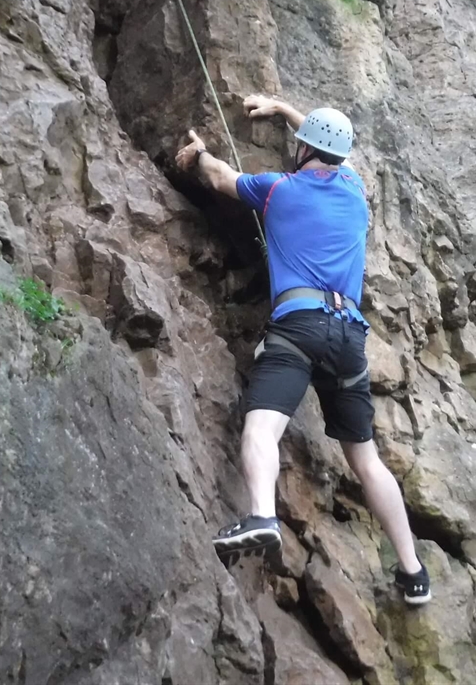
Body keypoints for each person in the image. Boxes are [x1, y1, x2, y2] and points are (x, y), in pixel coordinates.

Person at [174, 95, 431, 605]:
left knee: (261, 427)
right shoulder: (356, 192)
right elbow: (332, 148)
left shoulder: (279, 190)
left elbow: (223, 178)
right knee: (366, 458)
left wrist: (199, 154)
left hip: (298, 326)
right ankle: (413, 571)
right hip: (349, 338)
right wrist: (283, 108)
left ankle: (263, 516)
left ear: (302, 149)